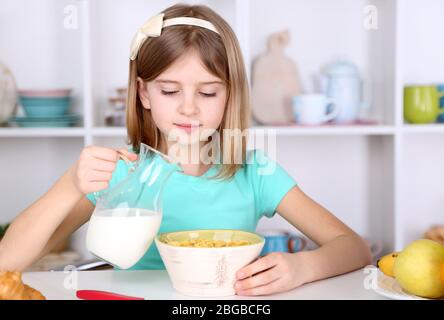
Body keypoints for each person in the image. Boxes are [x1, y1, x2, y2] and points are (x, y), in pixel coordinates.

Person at [0, 4, 371, 296]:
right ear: (144, 93)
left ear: (229, 96)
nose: (189, 108)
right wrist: (69, 185)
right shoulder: (120, 172)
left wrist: (301, 268)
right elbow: (9, 259)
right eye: (170, 90)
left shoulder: (253, 171)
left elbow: (354, 247)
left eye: (208, 92)